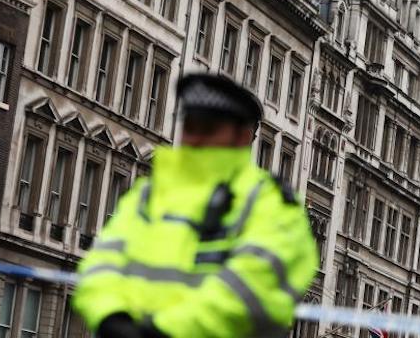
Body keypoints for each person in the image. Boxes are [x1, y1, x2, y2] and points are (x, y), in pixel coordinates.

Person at [73, 73, 319, 338]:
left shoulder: (272, 204)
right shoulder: (152, 193)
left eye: (209, 130)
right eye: (190, 127)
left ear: (242, 137)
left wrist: (161, 332)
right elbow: (102, 261)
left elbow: (250, 291)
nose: (195, 139)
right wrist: (111, 316)